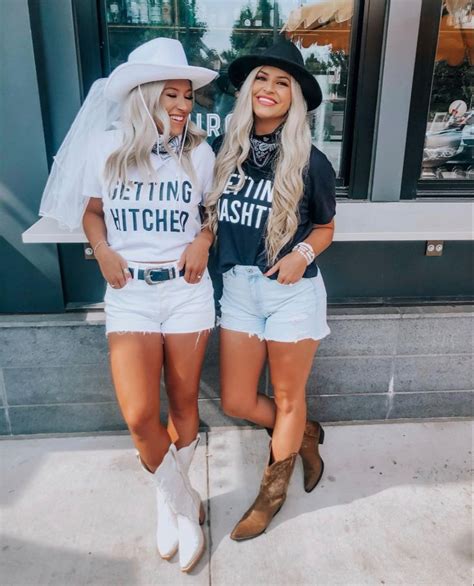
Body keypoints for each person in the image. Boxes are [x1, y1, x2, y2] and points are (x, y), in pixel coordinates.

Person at [40, 38, 218, 572]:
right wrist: (101, 250)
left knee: (185, 404)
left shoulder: (199, 152)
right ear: (144, 96)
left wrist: (203, 240)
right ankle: (180, 499)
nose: (184, 105)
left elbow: (209, 213)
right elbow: (93, 211)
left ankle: (173, 512)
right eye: (173, 94)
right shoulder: (107, 148)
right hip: (130, 295)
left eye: (187, 95)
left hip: (187, 293)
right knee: (141, 415)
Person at [205, 40, 336, 541]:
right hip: (238, 290)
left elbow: (325, 228)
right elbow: (210, 216)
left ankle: (270, 494)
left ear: (294, 98)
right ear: (247, 89)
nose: (270, 88)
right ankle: (303, 432)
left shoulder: (311, 161)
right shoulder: (225, 153)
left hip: (291, 294)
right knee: (238, 399)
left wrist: (299, 255)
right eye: (263, 78)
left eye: (283, 82)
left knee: (286, 395)